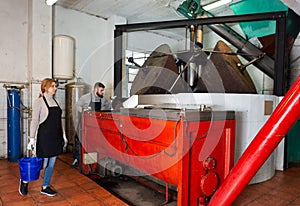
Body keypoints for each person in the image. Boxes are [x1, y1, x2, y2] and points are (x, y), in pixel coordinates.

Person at [19, 78, 68, 197]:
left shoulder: (55, 102)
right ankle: (24, 181)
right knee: (43, 164)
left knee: (51, 164)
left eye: (55, 86)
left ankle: (45, 186)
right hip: (45, 138)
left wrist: (64, 135)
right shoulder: (39, 102)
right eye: (52, 86)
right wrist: (31, 138)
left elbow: (59, 120)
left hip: (56, 138)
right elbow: (34, 121)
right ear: (45, 87)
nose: (55, 88)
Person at [70, 82, 111, 167]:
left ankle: (93, 160)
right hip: (84, 123)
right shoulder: (86, 98)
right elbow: (76, 106)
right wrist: (83, 110)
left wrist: (114, 104)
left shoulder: (102, 99)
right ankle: (77, 158)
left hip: (96, 125)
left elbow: (108, 106)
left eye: (103, 90)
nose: (103, 92)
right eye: (101, 90)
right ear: (95, 89)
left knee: (93, 142)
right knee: (79, 140)